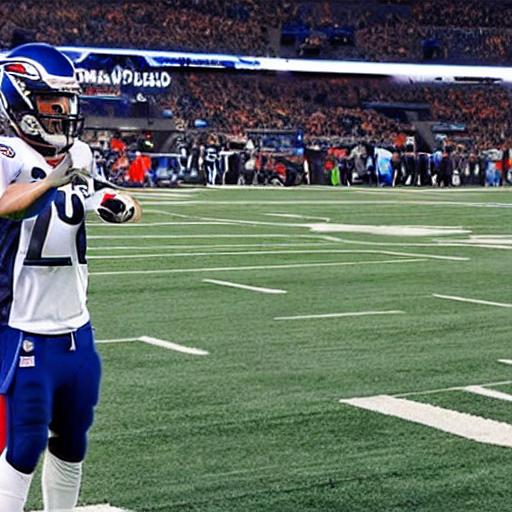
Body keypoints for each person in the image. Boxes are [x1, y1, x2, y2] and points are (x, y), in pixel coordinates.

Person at [0, 43, 141, 512]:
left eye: (67, 103)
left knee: (72, 439)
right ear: (21, 103)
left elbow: (104, 195)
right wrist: (49, 182)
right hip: (23, 322)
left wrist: (115, 203)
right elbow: (6, 202)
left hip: (75, 323)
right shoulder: (7, 152)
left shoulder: (78, 152)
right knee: (23, 444)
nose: (65, 113)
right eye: (52, 104)